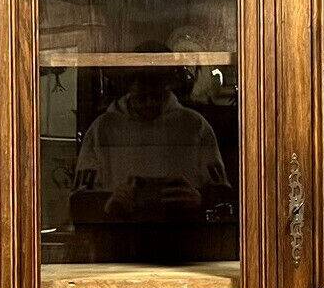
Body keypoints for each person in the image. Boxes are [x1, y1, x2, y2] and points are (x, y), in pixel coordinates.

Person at [69, 62, 231, 230]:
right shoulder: (102, 129)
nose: (150, 103)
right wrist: (109, 203)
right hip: (120, 235)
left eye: (157, 96)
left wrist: (200, 199)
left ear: (168, 89)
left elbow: (223, 195)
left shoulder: (195, 126)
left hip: (183, 233)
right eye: (142, 97)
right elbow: (79, 201)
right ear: (129, 91)